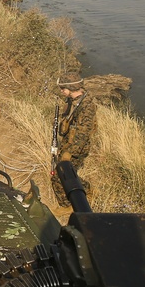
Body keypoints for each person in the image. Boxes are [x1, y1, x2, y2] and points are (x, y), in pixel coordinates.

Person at [52, 72, 96, 205]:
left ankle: (67, 205)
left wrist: (69, 153)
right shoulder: (74, 100)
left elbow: (82, 134)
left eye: (63, 89)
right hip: (68, 142)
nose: (61, 91)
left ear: (71, 89)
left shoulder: (86, 107)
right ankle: (87, 189)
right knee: (67, 173)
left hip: (76, 147)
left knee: (61, 174)